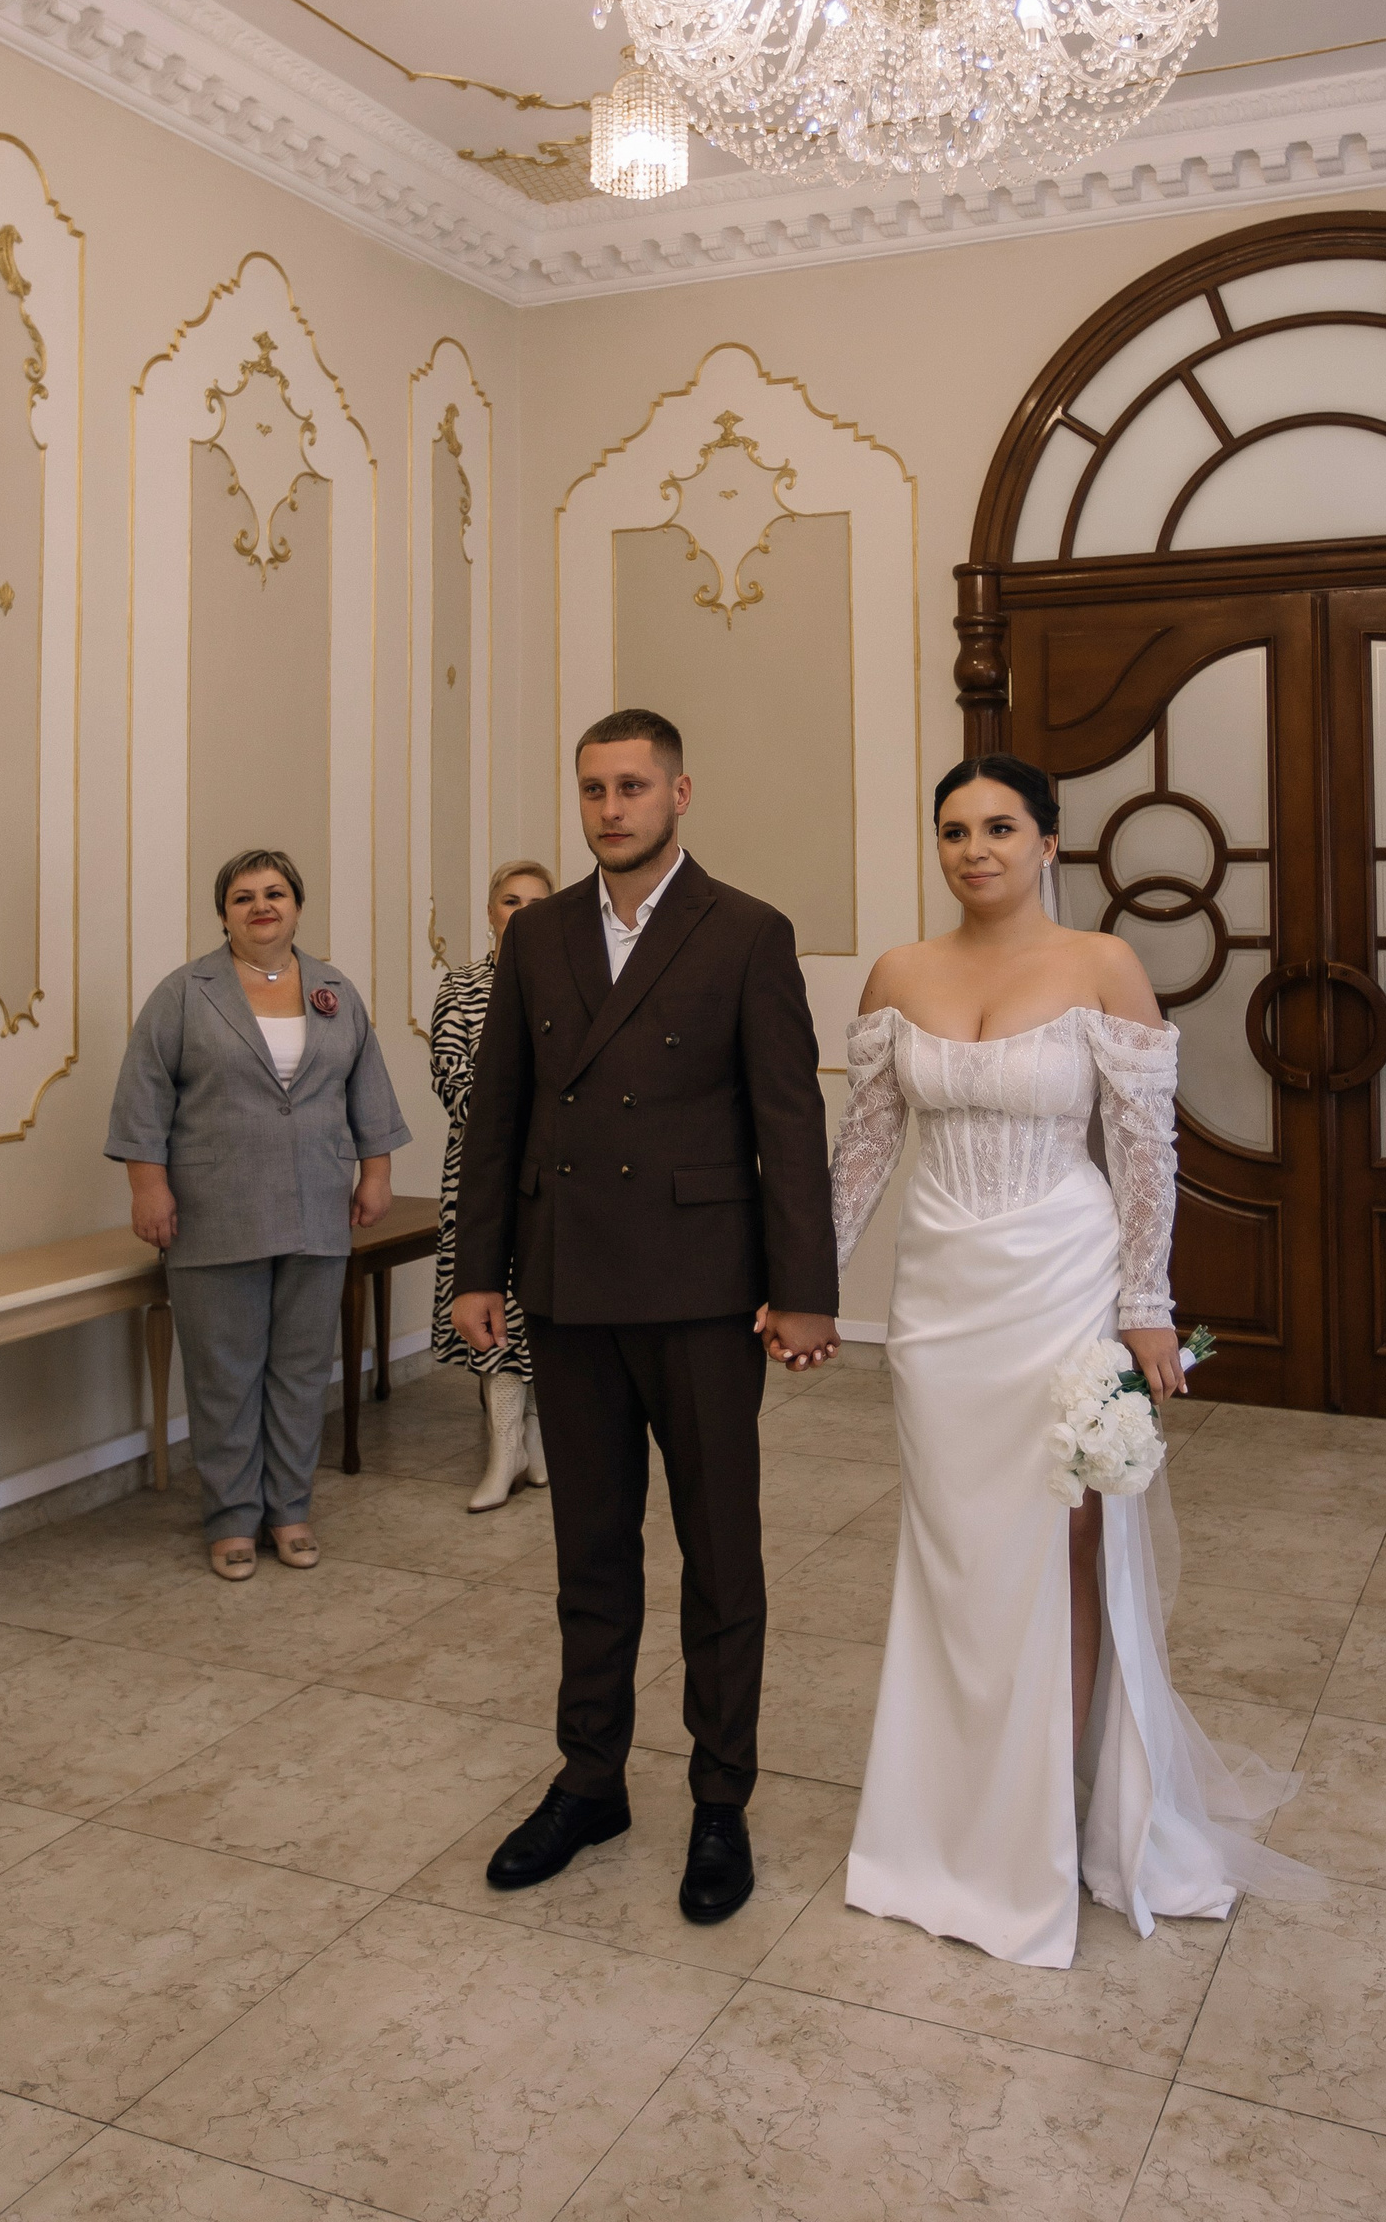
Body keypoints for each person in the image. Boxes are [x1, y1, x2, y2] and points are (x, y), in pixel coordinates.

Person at [831, 755, 1310, 1968]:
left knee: (1063, 1545)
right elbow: (865, 1147)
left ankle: (1051, 1815)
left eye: (1000, 827)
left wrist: (1147, 1306)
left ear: (1049, 841)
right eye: (953, 831)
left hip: (1062, 1281)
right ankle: (945, 1822)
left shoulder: (1103, 966)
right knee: (956, 1554)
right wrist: (805, 1286)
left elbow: (1147, 1151)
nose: (975, 850)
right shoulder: (899, 973)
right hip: (939, 1302)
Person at [451, 707, 838, 1926]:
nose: (611, 808)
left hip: (704, 1290)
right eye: (593, 789)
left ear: (681, 792)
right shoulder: (540, 934)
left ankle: (721, 1799)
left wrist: (805, 1289)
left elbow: (789, 1124)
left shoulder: (747, 931)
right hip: (569, 1282)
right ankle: (590, 1780)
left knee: (720, 1555)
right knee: (591, 1552)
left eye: (632, 786)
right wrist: (476, 1268)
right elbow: (497, 1114)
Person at [107, 848, 411, 1583]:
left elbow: (367, 1087)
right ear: (223, 914)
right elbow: (143, 1096)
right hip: (214, 1211)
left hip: (318, 1206)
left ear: (297, 907)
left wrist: (376, 1173)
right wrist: (149, 1189)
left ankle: (289, 1510)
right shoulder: (185, 993)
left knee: (302, 1372)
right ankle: (232, 1518)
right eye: (243, 896)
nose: (261, 906)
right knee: (225, 1375)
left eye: (275, 893)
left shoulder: (335, 989)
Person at [429, 859, 556, 1511]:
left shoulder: (570, 983)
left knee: (541, 1306)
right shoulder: (462, 986)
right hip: (480, 1177)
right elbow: (452, 1080)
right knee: (492, 1305)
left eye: (537, 903)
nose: (523, 913)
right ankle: (503, 1447)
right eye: (511, 901)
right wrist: (527, 1112)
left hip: (556, 1178)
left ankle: (534, 1437)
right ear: (489, 912)